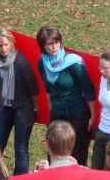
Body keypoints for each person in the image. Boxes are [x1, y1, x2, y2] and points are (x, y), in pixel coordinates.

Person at [36, 26, 96, 166]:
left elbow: (89, 89)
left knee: (77, 156)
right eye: (50, 44)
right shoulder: (42, 63)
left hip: (77, 114)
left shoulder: (73, 62)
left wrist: (93, 116)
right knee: (54, 154)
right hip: (57, 115)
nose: (54, 46)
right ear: (43, 46)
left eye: (57, 42)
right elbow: (48, 90)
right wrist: (52, 112)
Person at [0, 27, 38, 175]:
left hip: (23, 109)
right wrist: (3, 100)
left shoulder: (20, 61)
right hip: (4, 107)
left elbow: (33, 86)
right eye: (0, 46)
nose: (3, 49)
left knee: (21, 148)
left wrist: (35, 108)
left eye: (6, 44)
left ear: (11, 43)